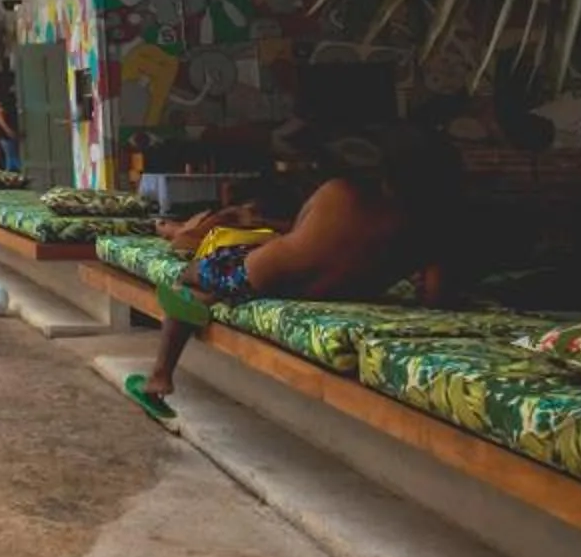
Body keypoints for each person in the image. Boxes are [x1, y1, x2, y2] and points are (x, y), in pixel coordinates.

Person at [125, 129, 459, 424]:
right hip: (336, 292)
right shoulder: (431, 231)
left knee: (190, 276)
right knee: (234, 277)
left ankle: (160, 376)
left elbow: (300, 234)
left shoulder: (339, 191)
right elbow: (434, 296)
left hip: (265, 276)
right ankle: (213, 298)